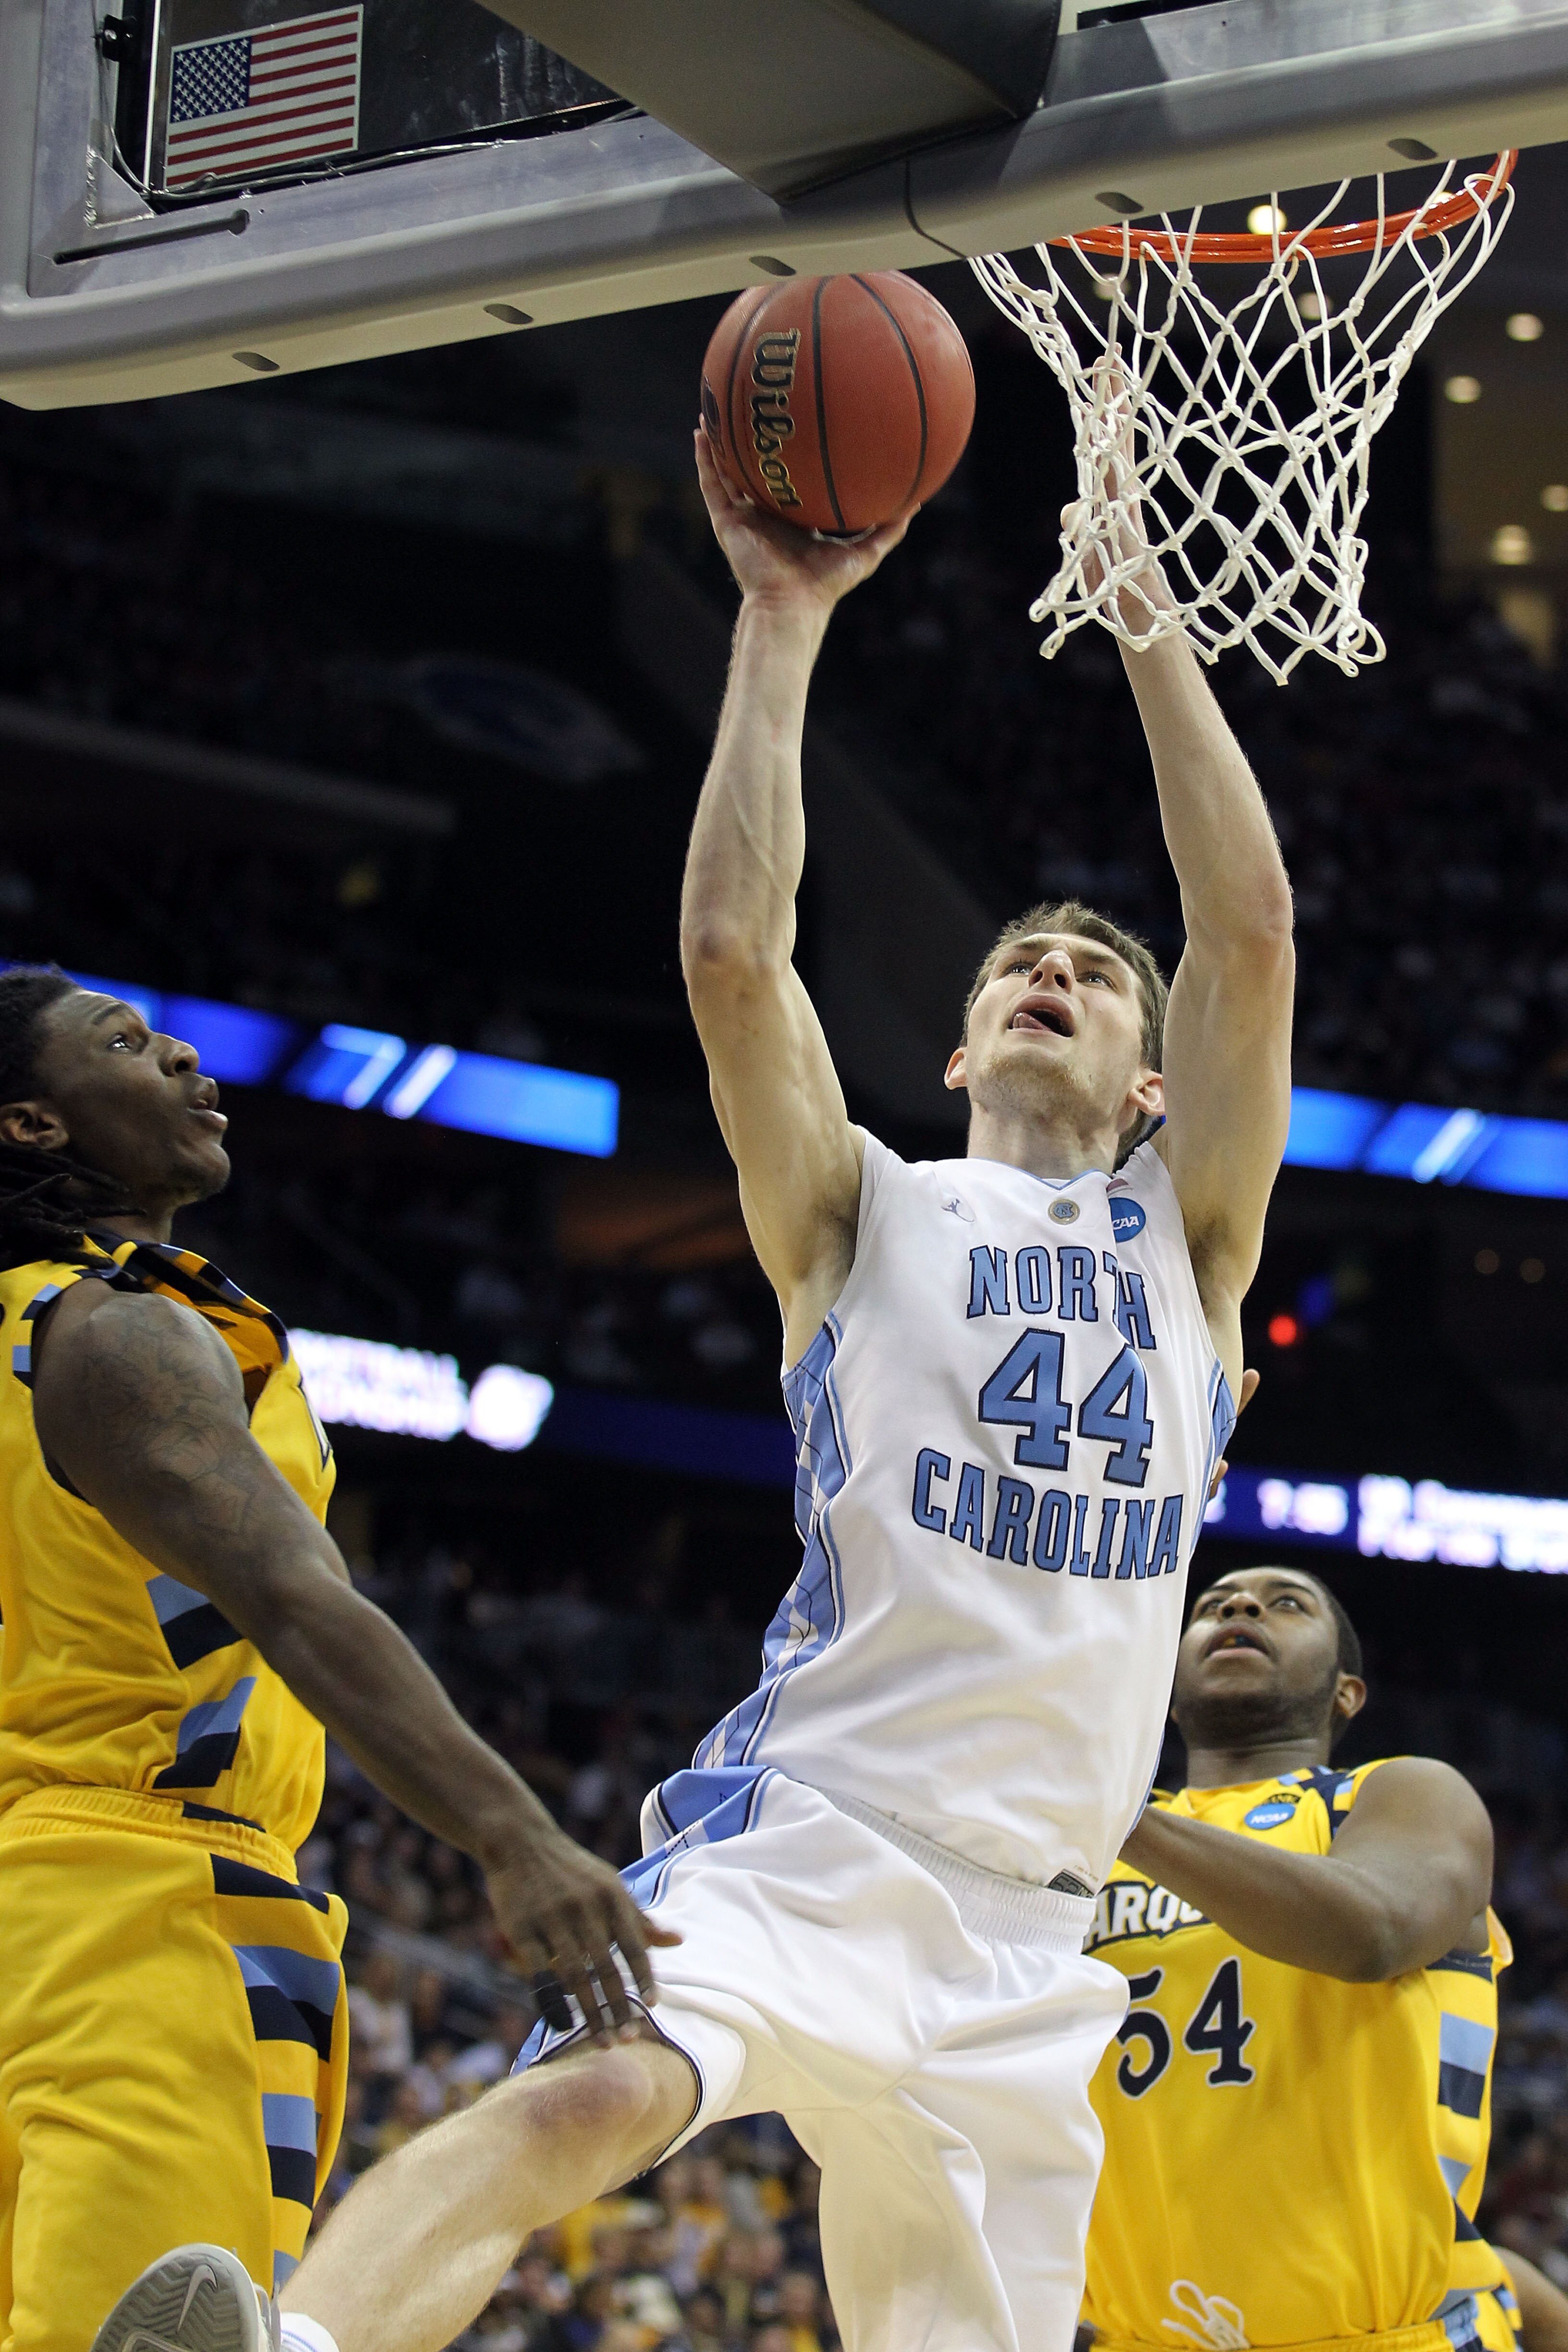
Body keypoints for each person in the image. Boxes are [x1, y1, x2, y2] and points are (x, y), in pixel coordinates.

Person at [160, 405, 1293, 2352]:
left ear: (1153, 1083)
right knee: (593, 2094)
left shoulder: (1188, 1255)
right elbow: (728, 957)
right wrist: (778, 612)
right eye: (1015, 963)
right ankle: (290, 2342)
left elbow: (1252, 932)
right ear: (951, 1052)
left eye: (1095, 979)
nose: (1051, 974)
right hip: (822, 1834)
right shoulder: (862, 1209)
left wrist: (1148, 629)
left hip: (1034, 1946)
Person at [0, 968, 670, 2352]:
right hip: (141, 1905)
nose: (182, 1053)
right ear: (31, 1127)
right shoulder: (118, 1329)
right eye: (126, 1045)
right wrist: (512, 1834)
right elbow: (300, 1604)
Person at [1081, 1562, 1510, 2352]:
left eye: (1287, 1604)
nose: (1241, 1606)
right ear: (1167, 1692)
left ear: (1347, 1692)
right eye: (1212, 1606)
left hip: (1385, 2337)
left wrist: (1112, 1813)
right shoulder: (1082, 1839)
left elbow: (1373, 1932)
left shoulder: (1398, 1795)